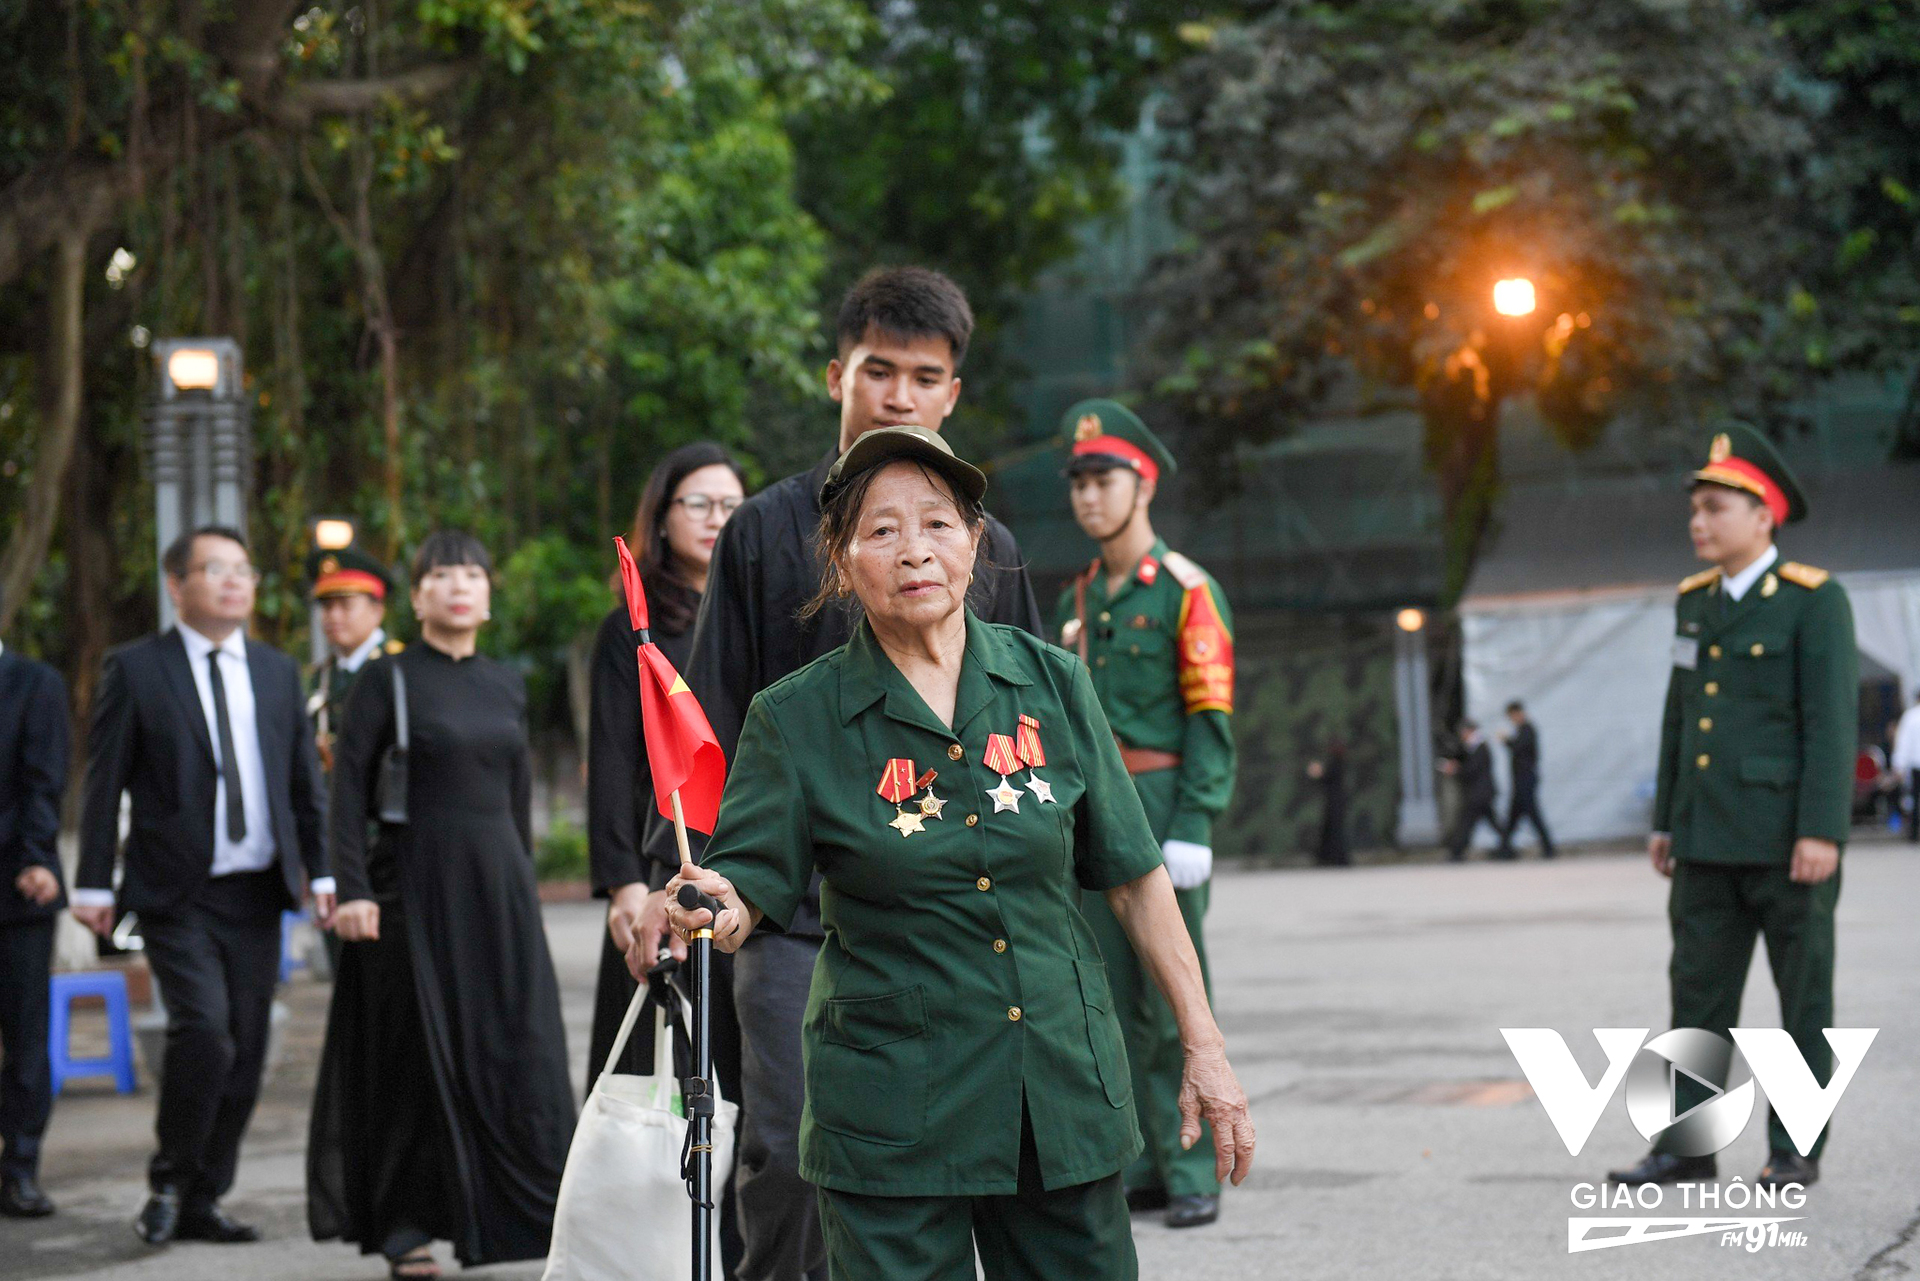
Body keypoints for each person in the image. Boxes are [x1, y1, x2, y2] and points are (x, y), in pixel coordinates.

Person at [662, 426, 1255, 1281]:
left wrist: (1205, 1045)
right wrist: (715, 899)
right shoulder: (795, 718)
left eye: (938, 524)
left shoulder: (1054, 683)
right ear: (842, 559)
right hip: (894, 1105)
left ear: (977, 544)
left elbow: (1132, 875)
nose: (915, 551)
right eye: (882, 530)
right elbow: (748, 880)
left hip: (1056, 1090)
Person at [640, 266, 1045, 1281]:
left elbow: (1030, 735)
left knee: (958, 1149)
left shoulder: (990, 549)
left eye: (924, 375)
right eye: (878, 370)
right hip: (795, 911)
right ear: (837, 375)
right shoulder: (766, 532)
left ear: (952, 392)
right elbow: (710, 713)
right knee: (788, 1150)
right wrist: (671, 869)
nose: (897, 396)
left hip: (955, 906)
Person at [308, 531, 576, 1278]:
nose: (459, 586)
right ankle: (405, 1224)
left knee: (519, 1049)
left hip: (500, 894)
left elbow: (515, 799)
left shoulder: (505, 682)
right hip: (411, 893)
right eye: (441, 574)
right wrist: (352, 890)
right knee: (412, 1062)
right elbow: (345, 798)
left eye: (473, 574)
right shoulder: (385, 680)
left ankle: (516, 1213)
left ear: (488, 595)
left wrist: (522, 886)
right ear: (419, 595)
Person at [1608, 424, 1856, 1191]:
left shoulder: (1814, 601)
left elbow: (1830, 722)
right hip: (1708, 838)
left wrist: (1821, 827)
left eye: (1715, 507)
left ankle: (1794, 1150)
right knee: (1697, 1001)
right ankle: (1688, 1146)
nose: (1699, 521)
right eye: (1696, 508)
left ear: (1764, 515)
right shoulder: (1694, 603)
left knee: (1803, 1001)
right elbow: (1680, 716)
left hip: (1787, 840)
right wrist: (1666, 820)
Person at [74, 526, 333, 1246]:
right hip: (174, 890)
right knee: (206, 1034)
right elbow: (103, 784)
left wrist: (325, 870)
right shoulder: (137, 668)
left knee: (247, 1048)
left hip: (255, 891)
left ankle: (201, 1194)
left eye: (243, 570)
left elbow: (302, 785)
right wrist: (94, 882)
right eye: (214, 569)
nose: (233, 581)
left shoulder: (278, 671)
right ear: (176, 583)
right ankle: (167, 1179)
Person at [1052, 398, 1236, 1229]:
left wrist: (1195, 821)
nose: (1090, 496)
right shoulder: (1081, 599)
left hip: (1161, 805)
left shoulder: (1187, 592)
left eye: (1105, 479)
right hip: (1096, 808)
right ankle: (1146, 1163)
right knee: (1105, 998)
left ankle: (1193, 1162)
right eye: (1079, 482)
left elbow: (1213, 722)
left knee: (1172, 996)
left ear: (1144, 483)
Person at [585, 443, 746, 1268]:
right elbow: (615, 759)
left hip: (745, 868)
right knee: (670, 1081)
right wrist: (624, 879)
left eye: (731, 505)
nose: (719, 519)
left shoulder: (755, 605)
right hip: (663, 867)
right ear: (663, 516)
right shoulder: (637, 628)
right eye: (700, 504)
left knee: (749, 1087)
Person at [0, 630, 69, 1219]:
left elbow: (43, 782)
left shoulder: (33, 683)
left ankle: (20, 1168)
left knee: (25, 1038)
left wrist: (37, 857)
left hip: (17, 889)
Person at [306, 544, 403, 774]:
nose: (334, 616)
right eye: (327, 606)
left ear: (377, 611)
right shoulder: (321, 675)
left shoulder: (398, 667)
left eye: (346, 605)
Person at [1499, 700, 1556, 858]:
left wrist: (1506, 741)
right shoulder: (1521, 730)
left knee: (1532, 814)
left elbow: (1518, 749)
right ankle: (1504, 849)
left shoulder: (1528, 729)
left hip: (1526, 780)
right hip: (1519, 780)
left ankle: (1548, 848)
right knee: (1513, 817)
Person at [1439, 719, 1501, 861]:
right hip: (1479, 793)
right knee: (1487, 823)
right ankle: (1506, 848)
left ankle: (1456, 852)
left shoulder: (1480, 747)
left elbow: (1473, 770)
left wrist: (1455, 770)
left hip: (1479, 793)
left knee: (1466, 823)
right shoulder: (1472, 747)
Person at [1306, 741, 1350, 867]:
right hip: (1335, 802)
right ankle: (1329, 858)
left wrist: (1316, 773)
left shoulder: (1336, 763)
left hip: (1335, 802)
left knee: (1335, 831)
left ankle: (1336, 858)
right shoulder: (1338, 763)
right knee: (1332, 830)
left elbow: (1325, 778)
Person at [1893, 691, 1920, 843]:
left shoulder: (1911, 716)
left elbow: (1904, 742)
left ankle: (1914, 834)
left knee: (1915, 800)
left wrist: (1899, 764)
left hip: (1917, 764)